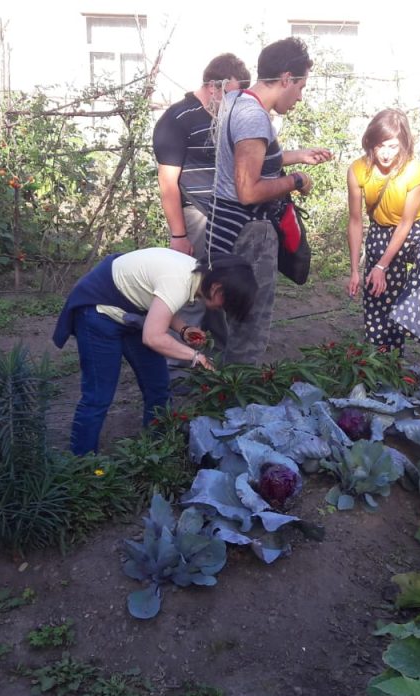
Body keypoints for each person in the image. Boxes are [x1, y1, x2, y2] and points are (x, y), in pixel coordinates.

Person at [52, 248, 257, 456]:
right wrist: (195, 357)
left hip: (131, 313)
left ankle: (157, 450)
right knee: (98, 396)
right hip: (98, 311)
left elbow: (157, 302)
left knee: (158, 387)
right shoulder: (179, 280)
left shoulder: (196, 275)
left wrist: (183, 329)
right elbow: (152, 337)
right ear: (217, 287)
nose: (223, 309)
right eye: (227, 303)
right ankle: (81, 464)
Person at [208, 37, 332, 365]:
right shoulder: (254, 118)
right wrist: (296, 181)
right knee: (249, 327)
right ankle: (242, 404)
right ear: (286, 78)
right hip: (249, 231)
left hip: (223, 226)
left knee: (230, 322)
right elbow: (247, 190)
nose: (300, 97)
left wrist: (295, 157)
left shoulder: (235, 100)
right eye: (301, 86)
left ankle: (223, 393)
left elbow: (248, 160)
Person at [152, 53, 251, 357]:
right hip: (195, 218)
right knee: (191, 298)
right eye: (231, 94)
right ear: (213, 87)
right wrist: (179, 236)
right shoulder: (177, 119)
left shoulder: (225, 119)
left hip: (226, 219)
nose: (234, 101)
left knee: (222, 294)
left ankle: (222, 371)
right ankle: (180, 375)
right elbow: (168, 182)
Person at [346, 109, 420, 368]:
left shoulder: (415, 171)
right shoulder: (358, 170)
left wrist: (382, 265)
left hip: (415, 227)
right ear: (370, 142)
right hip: (381, 230)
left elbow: (406, 223)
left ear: (403, 144)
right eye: (380, 145)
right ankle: (387, 354)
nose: (385, 153)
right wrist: (355, 271)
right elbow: (356, 220)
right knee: (378, 290)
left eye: (393, 146)